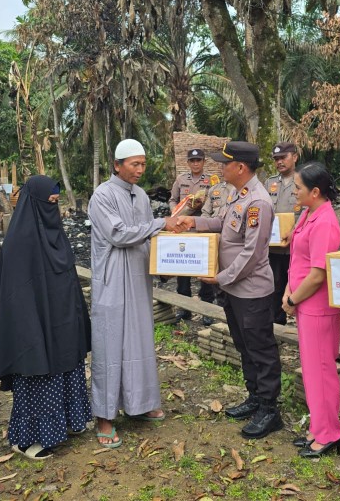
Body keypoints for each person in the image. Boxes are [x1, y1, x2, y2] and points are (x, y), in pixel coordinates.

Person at [178, 141, 284, 439]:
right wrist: (193, 221)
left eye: (224, 163)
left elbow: (252, 252)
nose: (220, 168)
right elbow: (222, 223)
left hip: (250, 289)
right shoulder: (239, 194)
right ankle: (255, 397)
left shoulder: (259, 202)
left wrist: (222, 277)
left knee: (261, 349)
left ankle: (269, 409)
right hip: (235, 290)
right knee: (244, 345)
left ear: (240, 167)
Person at [88, 139, 186, 449]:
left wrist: (166, 259)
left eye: (143, 164)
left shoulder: (140, 195)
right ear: (117, 165)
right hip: (112, 281)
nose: (140, 170)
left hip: (138, 278)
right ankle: (104, 417)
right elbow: (118, 234)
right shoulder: (102, 196)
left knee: (139, 340)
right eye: (134, 164)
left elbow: (145, 237)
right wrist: (161, 224)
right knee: (110, 344)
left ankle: (140, 404)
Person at [0, 175, 93, 460]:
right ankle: (27, 439)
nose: (54, 210)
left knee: (67, 367)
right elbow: (17, 296)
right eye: (48, 204)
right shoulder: (20, 242)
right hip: (35, 326)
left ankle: (67, 423)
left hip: (62, 320)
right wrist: (30, 331)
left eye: (56, 203)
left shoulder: (57, 235)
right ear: (34, 204)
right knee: (40, 374)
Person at [281, 162, 340, 458]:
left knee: (321, 370)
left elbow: (318, 274)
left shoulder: (326, 222)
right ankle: (318, 426)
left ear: (315, 191)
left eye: (298, 188)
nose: (293, 191)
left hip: (317, 307)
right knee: (311, 370)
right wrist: (288, 291)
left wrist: (293, 300)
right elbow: (298, 260)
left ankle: (330, 433)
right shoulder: (308, 214)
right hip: (303, 302)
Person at [169, 148, 212, 320]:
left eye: (199, 160)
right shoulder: (181, 180)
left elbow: (216, 200)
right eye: (192, 161)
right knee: (183, 267)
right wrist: (175, 212)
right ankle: (184, 308)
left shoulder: (210, 180)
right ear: (188, 163)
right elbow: (172, 199)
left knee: (205, 268)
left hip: (202, 228)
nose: (195, 163)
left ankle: (207, 310)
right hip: (182, 229)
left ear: (203, 162)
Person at [264, 142, 300, 325]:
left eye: (283, 157)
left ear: (294, 157)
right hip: (274, 246)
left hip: (296, 245)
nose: (279, 162)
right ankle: (277, 323)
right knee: (274, 284)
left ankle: (302, 323)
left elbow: (309, 210)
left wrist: (295, 231)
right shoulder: (270, 182)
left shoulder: (303, 181)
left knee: (296, 283)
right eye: (276, 159)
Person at [197, 175, 235, 326]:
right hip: (214, 241)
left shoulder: (243, 191)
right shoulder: (215, 190)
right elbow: (206, 212)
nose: (223, 168)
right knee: (211, 277)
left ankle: (228, 312)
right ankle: (211, 311)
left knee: (229, 276)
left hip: (232, 243)